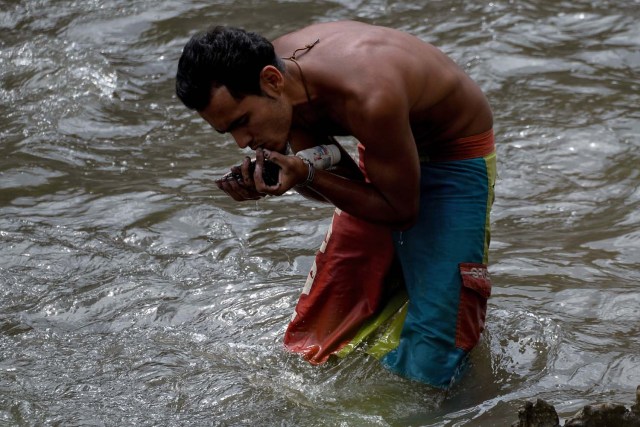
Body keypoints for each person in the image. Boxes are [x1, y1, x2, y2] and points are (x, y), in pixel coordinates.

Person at [176, 20, 496, 389]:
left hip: (453, 155)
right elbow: (338, 174)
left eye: (243, 122)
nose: (242, 142)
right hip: (385, 147)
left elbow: (400, 212)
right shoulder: (282, 86)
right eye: (228, 131)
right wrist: (288, 175)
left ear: (272, 81)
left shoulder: (368, 96)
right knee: (325, 321)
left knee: (438, 342)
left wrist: (307, 174)